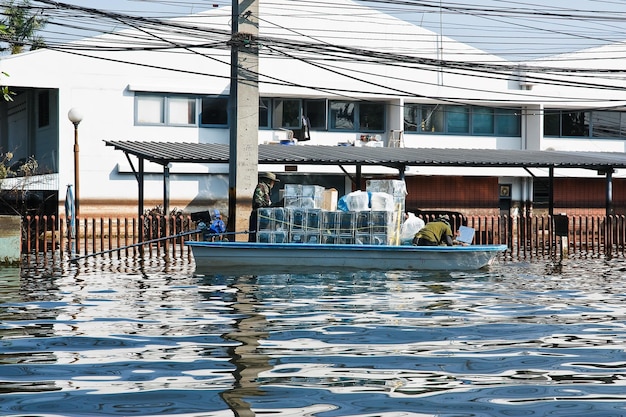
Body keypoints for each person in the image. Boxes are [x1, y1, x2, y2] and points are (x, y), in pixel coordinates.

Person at [248, 172, 280, 242]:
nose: (273, 184)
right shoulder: (261, 187)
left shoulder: (266, 189)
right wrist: (268, 207)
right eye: (273, 182)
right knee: (255, 236)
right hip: (257, 216)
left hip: (263, 216)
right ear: (269, 181)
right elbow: (258, 202)